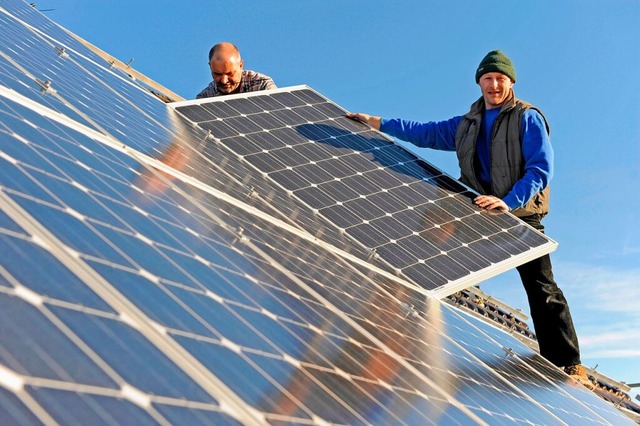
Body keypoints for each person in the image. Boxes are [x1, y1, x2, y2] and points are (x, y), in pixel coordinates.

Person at [347, 50, 591, 386]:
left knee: (541, 286)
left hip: (517, 213)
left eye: (500, 79)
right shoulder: (467, 124)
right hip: (477, 208)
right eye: (488, 79)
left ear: (510, 83)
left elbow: (540, 169)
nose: (494, 85)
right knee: (431, 235)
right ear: (479, 82)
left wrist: (508, 201)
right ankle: (400, 318)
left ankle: (567, 363)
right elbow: (425, 133)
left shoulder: (526, 117)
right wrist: (378, 122)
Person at [196, 42, 276, 98]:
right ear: (210, 67)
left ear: (241, 65)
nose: (224, 81)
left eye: (230, 73)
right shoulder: (205, 97)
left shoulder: (262, 85)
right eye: (218, 74)